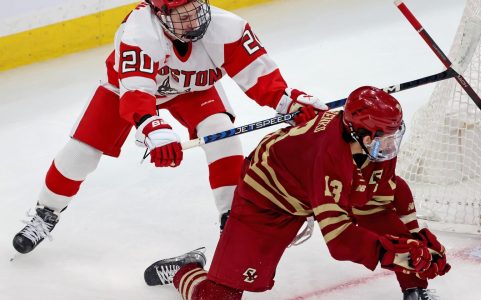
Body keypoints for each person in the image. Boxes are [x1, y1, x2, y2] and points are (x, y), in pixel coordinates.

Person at [12, 0, 327, 254]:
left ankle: (233, 219)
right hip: (125, 90)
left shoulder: (227, 27)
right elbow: (136, 94)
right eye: (181, 17)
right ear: (157, 13)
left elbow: (261, 79)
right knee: (81, 153)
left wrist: (290, 102)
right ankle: (46, 213)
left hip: (194, 90)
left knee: (222, 133)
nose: (193, 23)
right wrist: (154, 129)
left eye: (196, 10)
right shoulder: (137, 32)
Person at [143, 86, 450, 300]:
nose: (390, 148)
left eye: (394, 137)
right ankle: (187, 270)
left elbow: (384, 204)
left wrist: (416, 248)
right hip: (268, 198)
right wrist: (396, 253)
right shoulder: (330, 157)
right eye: (383, 139)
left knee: (381, 207)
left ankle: (413, 291)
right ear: (358, 133)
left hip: (310, 185)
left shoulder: (376, 143)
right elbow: (340, 241)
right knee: (217, 297)